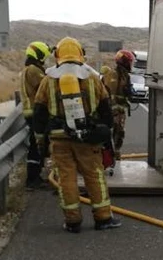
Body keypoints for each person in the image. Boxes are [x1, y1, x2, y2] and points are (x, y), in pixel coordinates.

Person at [32, 37, 121, 233]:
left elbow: (39, 113)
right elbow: (106, 110)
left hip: (59, 140)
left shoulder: (48, 80)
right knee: (95, 176)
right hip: (87, 138)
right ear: (81, 54)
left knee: (66, 179)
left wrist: (40, 141)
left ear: (57, 55)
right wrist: (103, 133)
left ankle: (72, 221)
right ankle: (103, 218)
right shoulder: (92, 78)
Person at [19, 41, 52, 190]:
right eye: (44, 56)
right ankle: (32, 180)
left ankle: (35, 177)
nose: (45, 59)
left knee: (38, 144)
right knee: (36, 145)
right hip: (35, 113)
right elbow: (45, 87)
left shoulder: (29, 68)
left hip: (33, 112)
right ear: (38, 55)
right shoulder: (33, 70)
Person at [100, 49, 135, 163]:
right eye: (129, 62)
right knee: (111, 133)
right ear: (124, 62)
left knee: (119, 134)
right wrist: (113, 111)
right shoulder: (113, 75)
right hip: (113, 111)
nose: (130, 64)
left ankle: (115, 154)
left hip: (120, 111)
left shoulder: (124, 75)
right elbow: (110, 94)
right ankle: (108, 157)